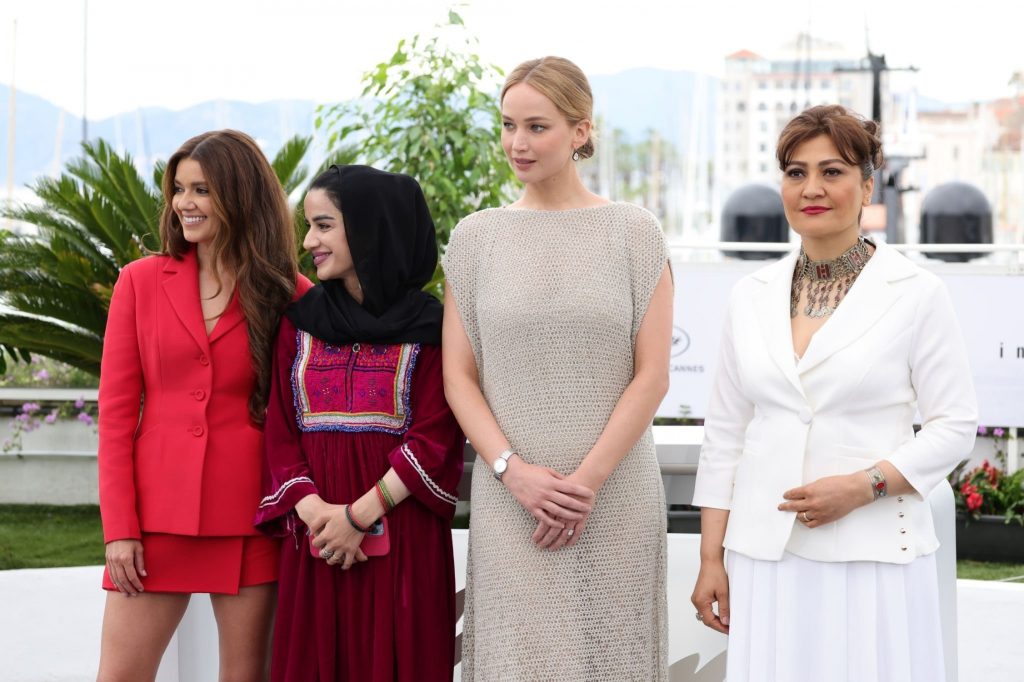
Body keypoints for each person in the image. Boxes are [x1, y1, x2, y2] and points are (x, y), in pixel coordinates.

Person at [690, 104, 978, 682]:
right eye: (796, 173)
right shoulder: (750, 295)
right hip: (765, 555)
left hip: (872, 556)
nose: (812, 188)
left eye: (833, 171)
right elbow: (725, 435)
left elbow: (955, 425)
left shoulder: (917, 292)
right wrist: (710, 557)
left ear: (867, 185)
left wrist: (863, 486)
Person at [442, 56, 673, 680]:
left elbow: (651, 374)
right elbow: (458, 378)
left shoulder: (634, 233)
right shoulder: (475, 238)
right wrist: (511, 474)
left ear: (580, 130)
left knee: (612, 661)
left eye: (537, 127)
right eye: (508, 125)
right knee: (517, 662)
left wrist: (585, 486)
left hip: (615, 498)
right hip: (510, 502)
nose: (518, 143)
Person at [96, 129, 311, 681]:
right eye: (180, 189)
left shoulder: (291, 294)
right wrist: (119, 528)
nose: (184, 204)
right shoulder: (139, 283)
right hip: (153, 521)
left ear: (240, 196)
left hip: (252, 517)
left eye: (203, 190)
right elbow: (117, 417)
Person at [254, 165, 465, 681]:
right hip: (318, 541)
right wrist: (322, 518)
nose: (308, 242)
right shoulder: (299, 321)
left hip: (402, 543)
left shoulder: (433, 328)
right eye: (308, 226)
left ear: (370, 229)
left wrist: (359, 517)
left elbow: (435, 435)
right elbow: (281, 432)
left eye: (323, 225)